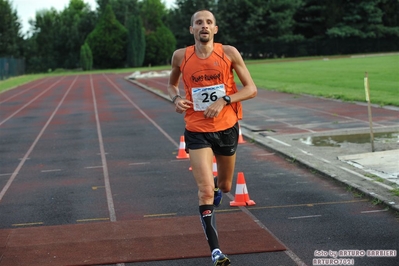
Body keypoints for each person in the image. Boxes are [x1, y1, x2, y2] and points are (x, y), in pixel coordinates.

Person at [167, 9, 257, 266]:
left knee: (225, 187)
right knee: (205, 190)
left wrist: (225, 99)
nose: (203, 26)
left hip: (227, 127)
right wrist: (175, 98)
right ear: (191, 30)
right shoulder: (181, 56)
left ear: (215, 29)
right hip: (196, 129)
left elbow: (251, 89)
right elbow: (171, 84)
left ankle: (219, 186)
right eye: (198, 23)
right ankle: (216, 252)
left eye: (208, 22)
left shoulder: (228, 52)